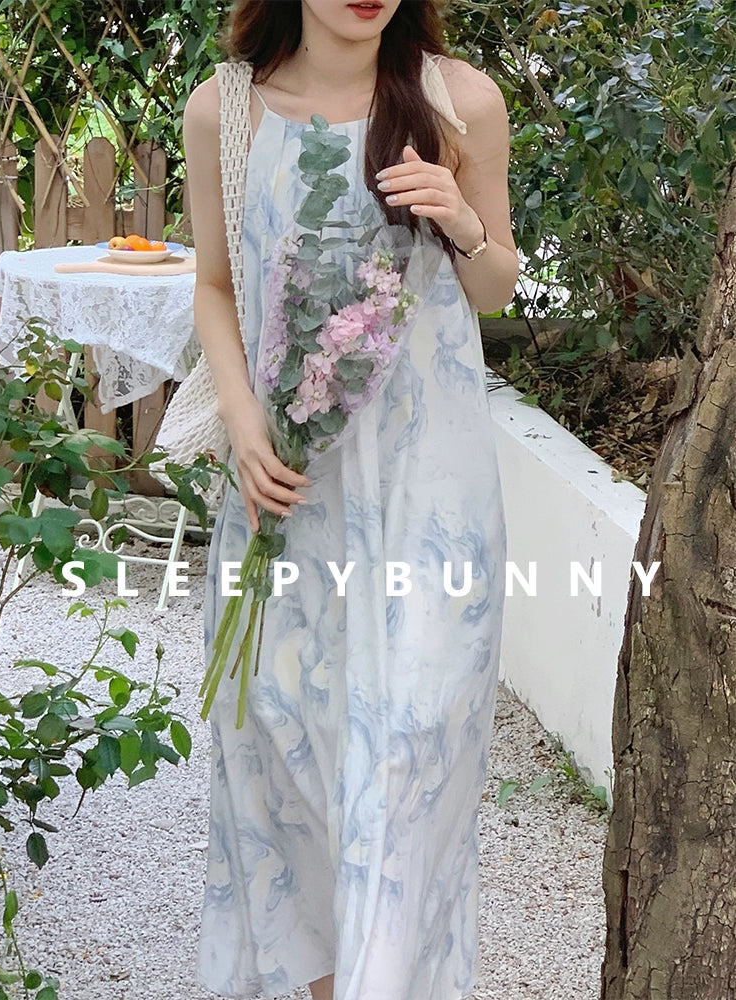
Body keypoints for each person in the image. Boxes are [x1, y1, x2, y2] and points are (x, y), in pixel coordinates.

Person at [183, 2, 519, 999]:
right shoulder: (223, 111)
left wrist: (461, 220)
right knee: (289, 764)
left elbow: (496, 286)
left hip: (430, 496)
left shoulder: (460, 102)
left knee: (407, 762)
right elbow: (214, 285)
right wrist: (243, 421)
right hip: (287, 499)